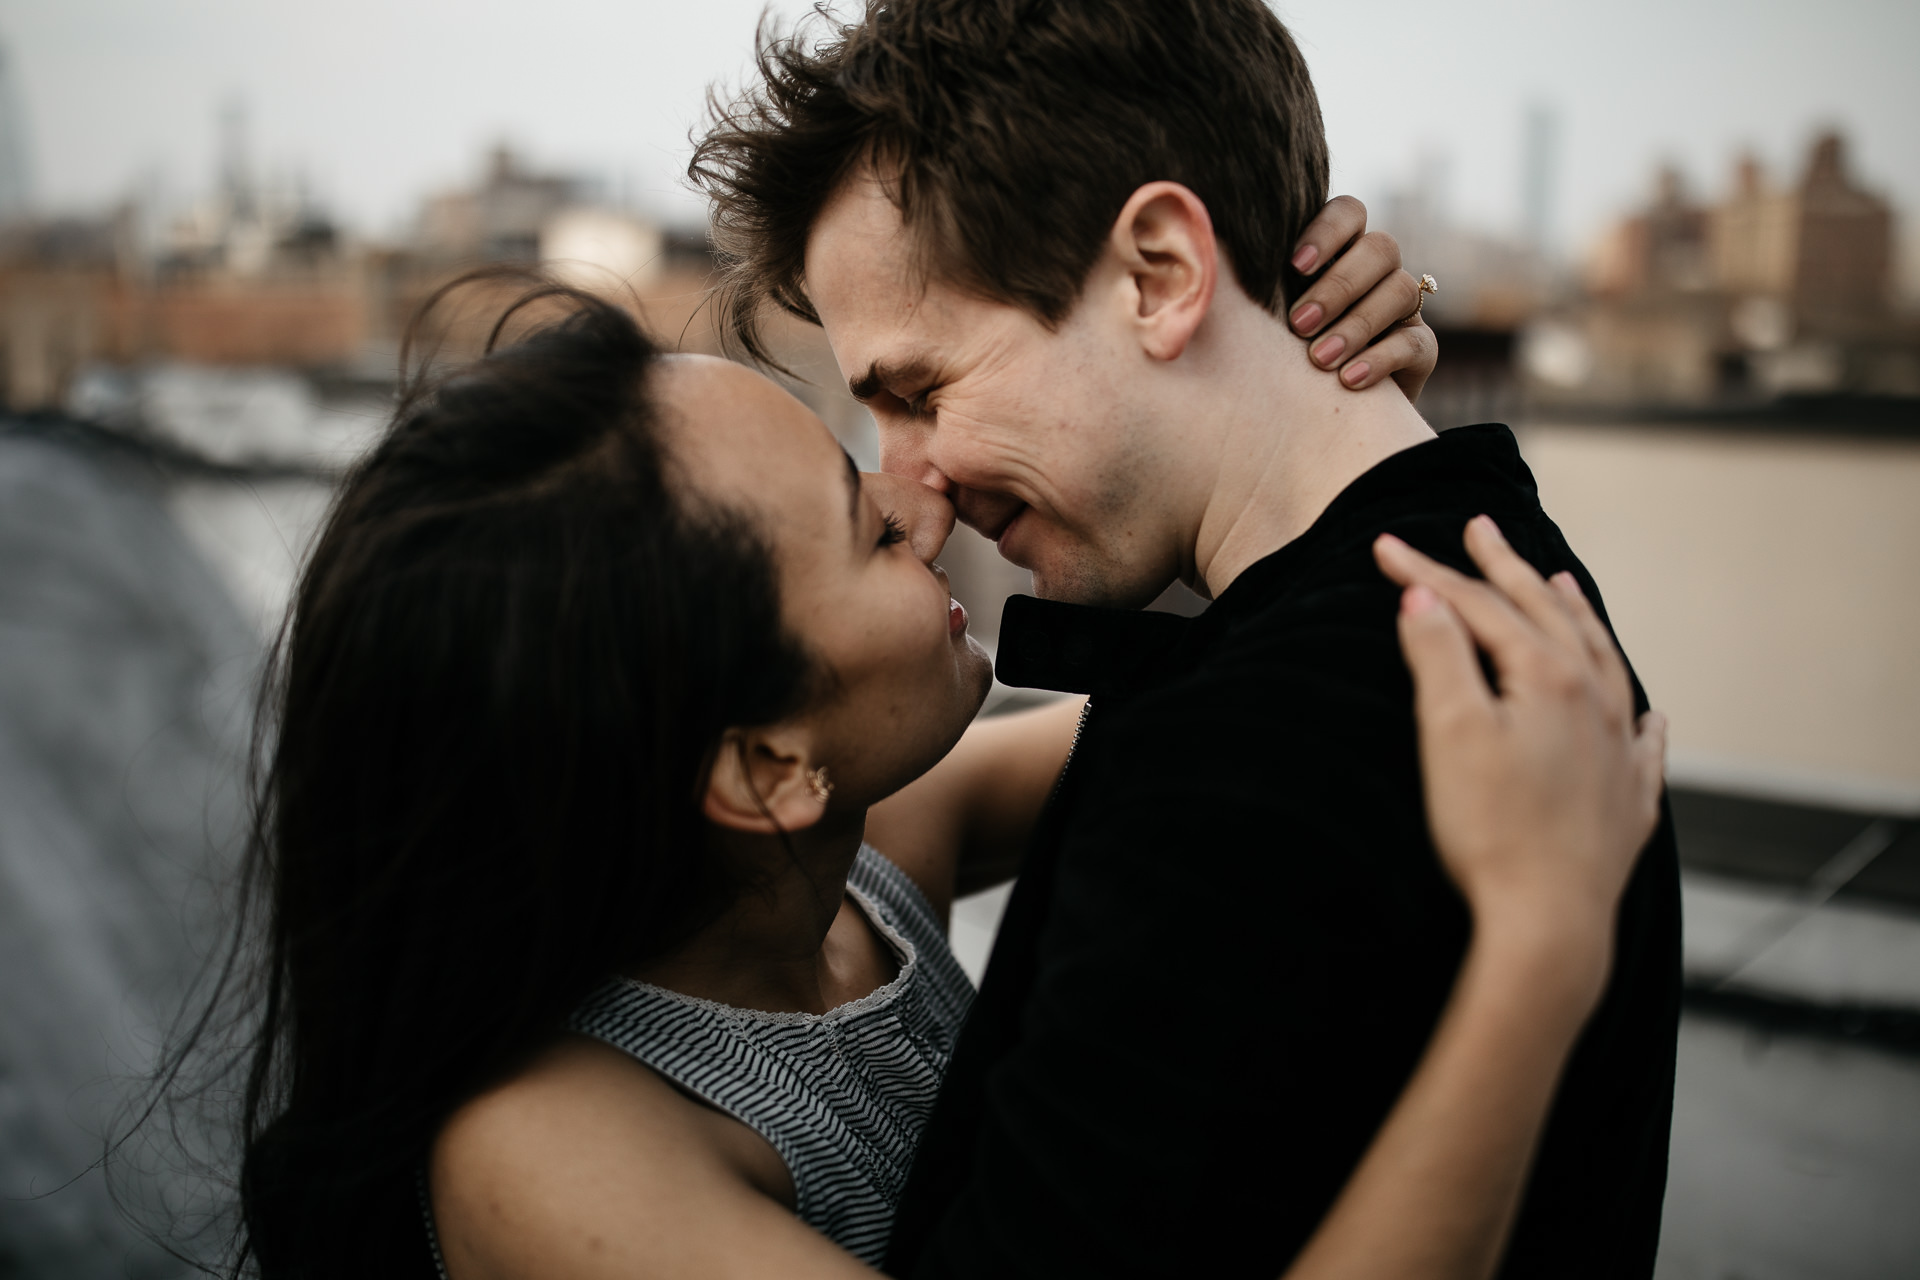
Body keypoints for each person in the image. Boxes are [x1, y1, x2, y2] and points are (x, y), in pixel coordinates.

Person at [187, 269, 1667, 1280]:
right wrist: (1536, 954)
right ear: (767, 765)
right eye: (860, 522)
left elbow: (1243, 731)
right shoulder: (556, 1153)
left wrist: (1292, 380)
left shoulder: (851, 873)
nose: (925, 490)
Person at [689, 2, 1685, 1277]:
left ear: (1161, 272)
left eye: (921, 392)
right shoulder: (1489, 564)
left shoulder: (1245, 773)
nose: (916, 488)